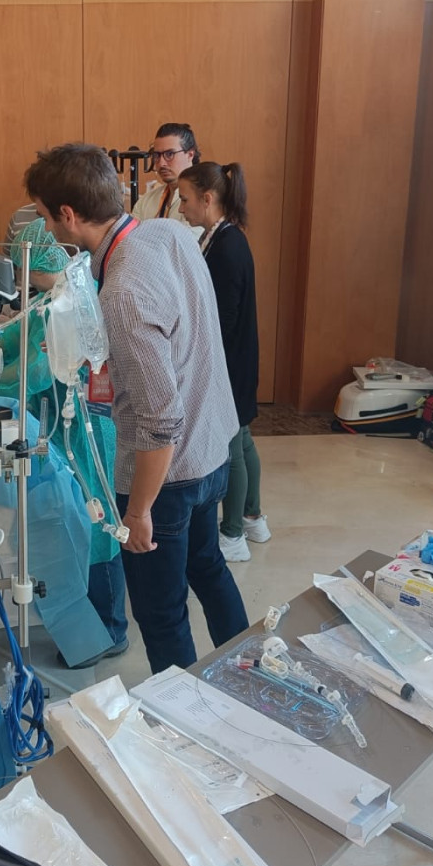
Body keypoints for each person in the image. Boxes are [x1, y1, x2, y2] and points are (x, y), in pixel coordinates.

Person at [25, 143, 247, 674]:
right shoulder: (170, 233)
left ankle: (185, 716)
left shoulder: (122, 293)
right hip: (213, 447)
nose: (46, 228)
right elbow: (177, 336)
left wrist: (139, 511)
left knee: (161, 614)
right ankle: (248, 675)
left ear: (68, 215)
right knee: (209, 568)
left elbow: (160, 423)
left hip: (166, 479)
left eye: (45, 216)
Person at [0, 220, 127, 664]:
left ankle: (110, 630)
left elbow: (32, 374)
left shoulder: (67, 306)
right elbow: (15, 339)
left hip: (84, 432)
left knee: (98, 525)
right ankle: (88, 625)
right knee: (78, 521)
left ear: (29, 262)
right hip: (64, 429)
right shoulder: (57, 297)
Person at [177, 162, 271, 564]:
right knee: (243, 439)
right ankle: (253, 517)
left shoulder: (228, 246)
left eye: (185, 200)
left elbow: (222, 318)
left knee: (230, 447)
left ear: (207, 198)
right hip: (235, 358)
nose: (181, 208)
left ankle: (232, 533)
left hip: (229, 362)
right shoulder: (222, 237)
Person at [131, 122, 201, 235]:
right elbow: (130, 240)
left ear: (190, 155)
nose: (161, 163)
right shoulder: (146, 201)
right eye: (157, 155)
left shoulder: (201, 197)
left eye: (169, 154)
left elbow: (186, 242)